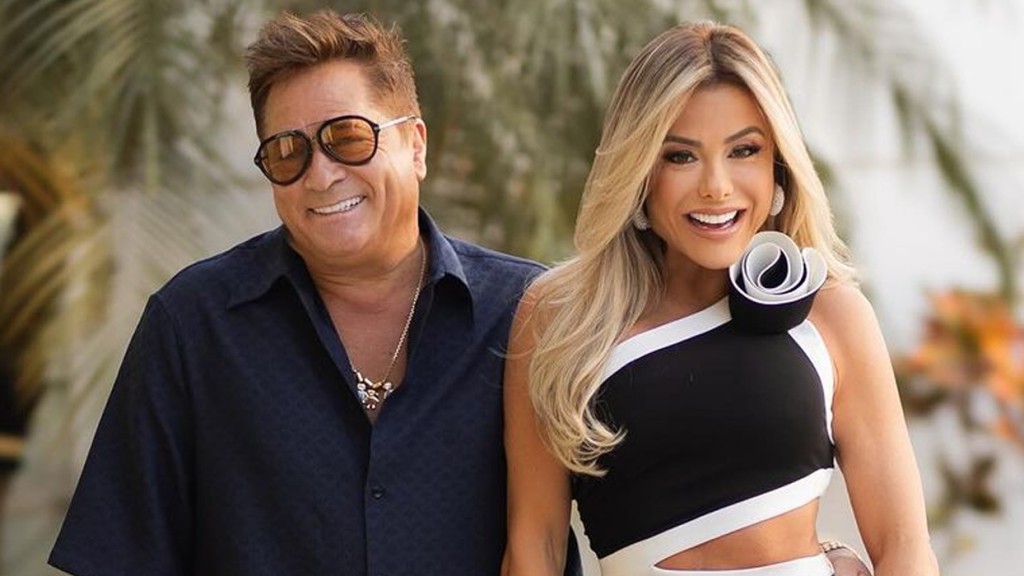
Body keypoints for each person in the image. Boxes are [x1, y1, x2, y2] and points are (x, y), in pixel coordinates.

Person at [46, 10, 583, 576]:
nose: (321, 176)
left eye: (348, 138)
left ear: (416, 145)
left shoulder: (524, 313)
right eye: (287, 152)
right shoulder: (194, 324)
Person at [503, 21, 938, 576]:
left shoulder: (833, 314)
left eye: (744, 150)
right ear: (639, 172)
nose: (716, 186)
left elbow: (904, 546)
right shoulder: (560, 318)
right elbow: (534, 546)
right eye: (680, 156)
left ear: (778, 166)